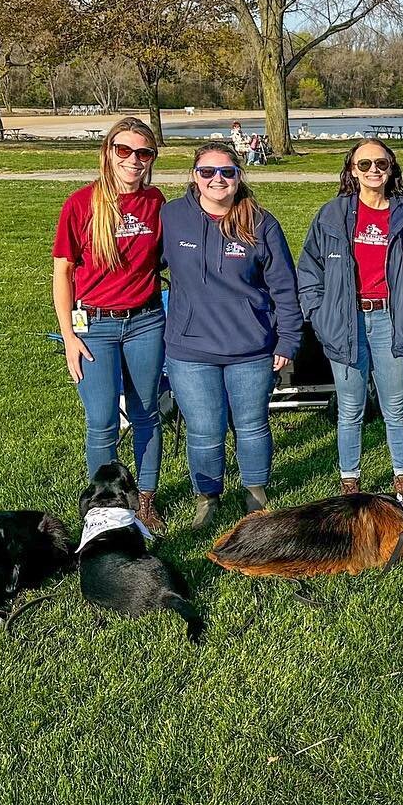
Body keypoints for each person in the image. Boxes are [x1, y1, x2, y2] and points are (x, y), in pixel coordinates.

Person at [162, 143, 303, 529]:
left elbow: (285, 289)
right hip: (190, 349)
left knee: (252, 424)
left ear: (239, 176)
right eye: (207, 172)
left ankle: (255, 495)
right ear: (195, 176)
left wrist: (288, 340)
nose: (217, 180)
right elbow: (142, 263)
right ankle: (207, 498)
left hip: (251, 349)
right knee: (204, 429)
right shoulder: (172, 217)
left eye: (226, 171)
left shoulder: (261, 222)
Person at [297, 140, 403, 498]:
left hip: (391, 320)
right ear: (351, 171)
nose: (373, 171)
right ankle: (350, 482)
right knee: (350, 408)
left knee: (396, 407)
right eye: (364, 165)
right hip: (345, 321)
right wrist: (318, 313)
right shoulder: (332, 215)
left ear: (391, 168)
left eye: (381, 163)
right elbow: (309, 269)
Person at [52, 117, 168, 531]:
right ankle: (104, 508)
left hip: (146, 321)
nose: (133, 160)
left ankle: (146, 500)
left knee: (146, 412)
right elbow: (62, 271)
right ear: (108, 152)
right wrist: (69, 336)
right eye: (124, 151)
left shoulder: (156, 202)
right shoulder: (81, 203)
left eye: (143, 153)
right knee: (101, 421)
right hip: (94, 326)